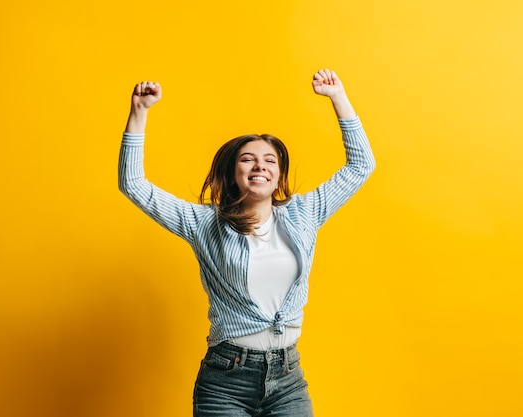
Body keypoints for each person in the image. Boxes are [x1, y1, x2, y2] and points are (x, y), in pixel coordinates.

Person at [119, 69, 375, 417]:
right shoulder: (204, 223)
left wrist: (338, 97)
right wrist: (140, 112)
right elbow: (133, 184)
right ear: (233, 172)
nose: (260, 166)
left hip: (287, 378)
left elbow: (361, 165)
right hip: (226, 381)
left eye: (270, 160)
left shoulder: (305, 213)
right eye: (248, 159)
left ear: (279, 175)